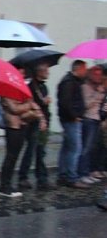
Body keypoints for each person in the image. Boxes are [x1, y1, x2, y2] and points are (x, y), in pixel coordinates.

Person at [0, 93, 46, 197]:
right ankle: (4, 185)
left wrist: (27, 106)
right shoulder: (6, 93)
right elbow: (14, 109)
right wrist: (28, 105)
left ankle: (7, 183)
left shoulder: (21, 91)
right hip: (12, 126)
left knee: (14, 157)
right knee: (10, 156)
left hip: (22, 124)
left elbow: (32, 105)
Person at [18, 62, 53, 190]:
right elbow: (30, 103)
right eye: (46, 70)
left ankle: (42, 179)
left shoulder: (43, 87)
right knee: (31, 150)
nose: (48, 72)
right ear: (39, 71)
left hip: (44, 122)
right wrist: (43, 103)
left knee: (41, 151)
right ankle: (23, 177)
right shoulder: (31, 86)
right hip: (33, 123)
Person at [56, 60, 88, 188]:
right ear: (79, 69)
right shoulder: (69, 82)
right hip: (71, 120)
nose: (85, 72)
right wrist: (74, 116)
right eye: (84, 69)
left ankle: (63, 175)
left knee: (67, 148)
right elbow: (65, 103)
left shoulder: (72, 81)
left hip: (69, 119)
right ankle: (71, 177)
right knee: (75, 149)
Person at [77, 65, 105, 184]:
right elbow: (86, 105)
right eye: (96, 75)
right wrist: (97, 95)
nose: (99, 78)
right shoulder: (85, 87)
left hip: (97, 119)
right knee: (86, 147)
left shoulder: (98, 88)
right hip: (89, 119)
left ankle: (89, 171)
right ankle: (82, 173)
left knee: (93, 147)